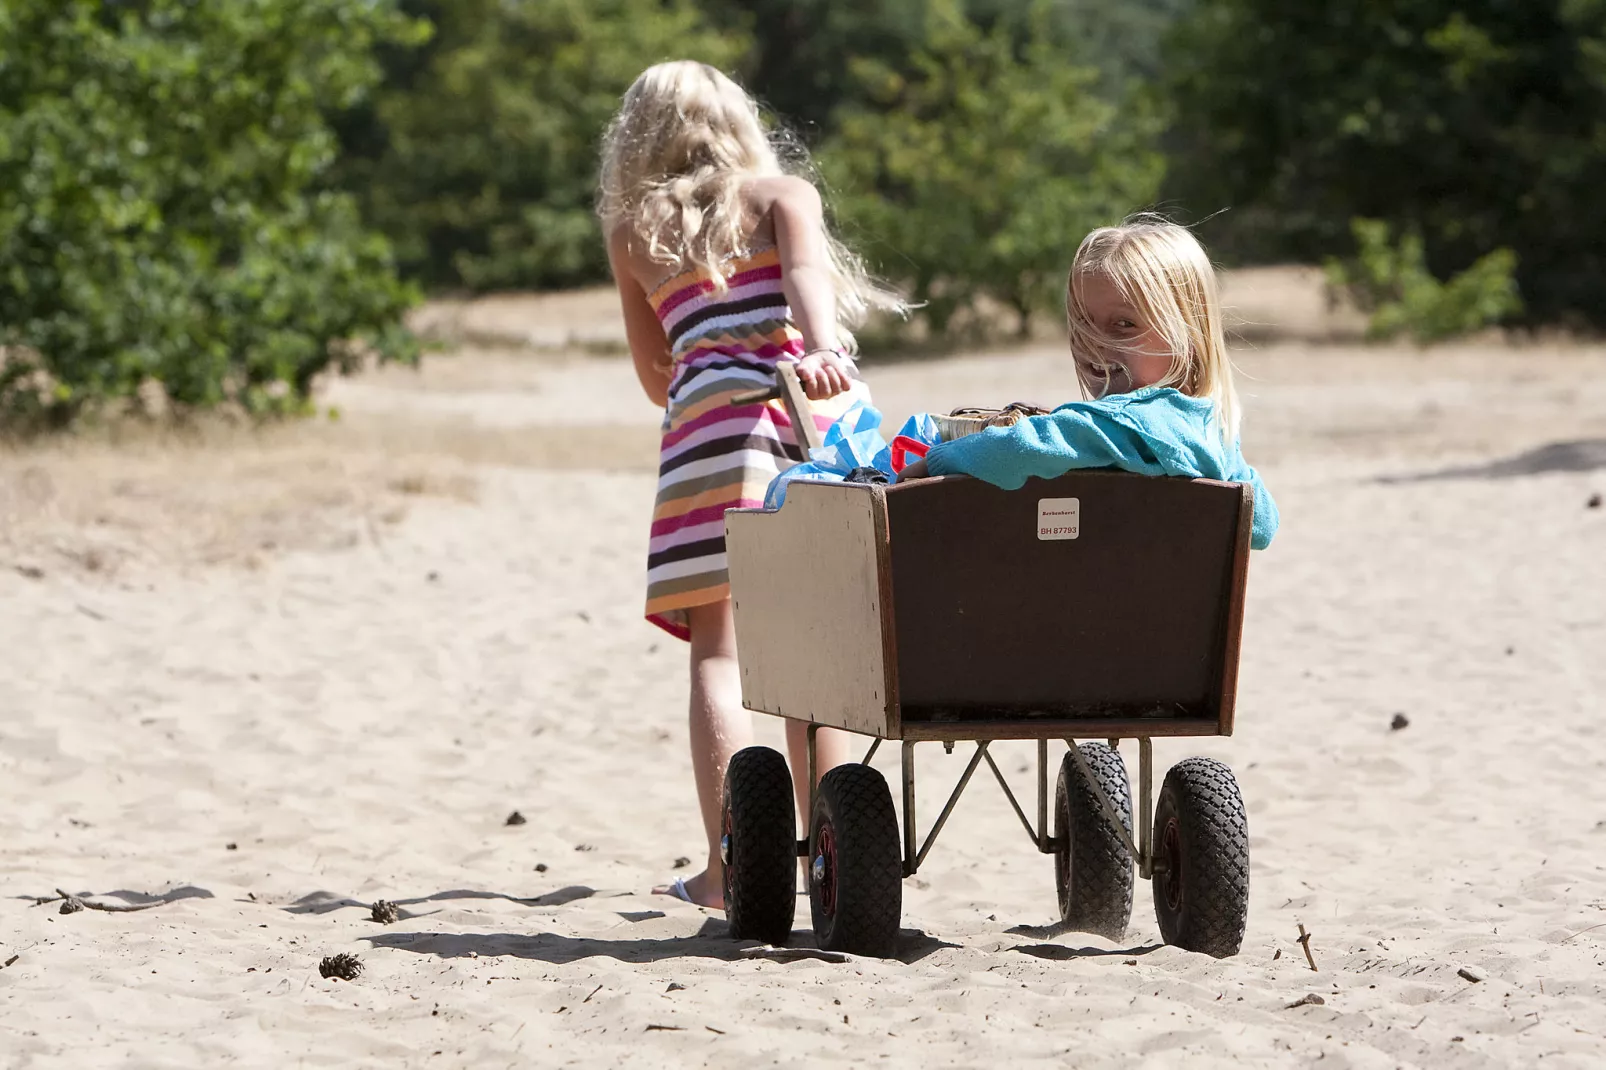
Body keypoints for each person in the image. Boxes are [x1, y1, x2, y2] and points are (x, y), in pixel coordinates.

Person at [598, 61, 906, 907]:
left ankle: (730, 866)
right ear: (738, 123)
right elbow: (809, 282)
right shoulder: (780, 197)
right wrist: (821, 351)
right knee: (809, 651)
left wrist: (704, 351)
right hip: (787, 431)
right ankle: (830, 861)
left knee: (719, 652)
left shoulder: (632, 232)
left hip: (699, 447)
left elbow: (655, 377)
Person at [899, 216, 1278, 550]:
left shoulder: (1126, 423)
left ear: (1188, 337)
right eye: (1083, 321)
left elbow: (1036, 444)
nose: (1095, 341)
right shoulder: (1212, 428)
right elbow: (1261, 524)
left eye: (1124, 324)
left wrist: (939, 461)